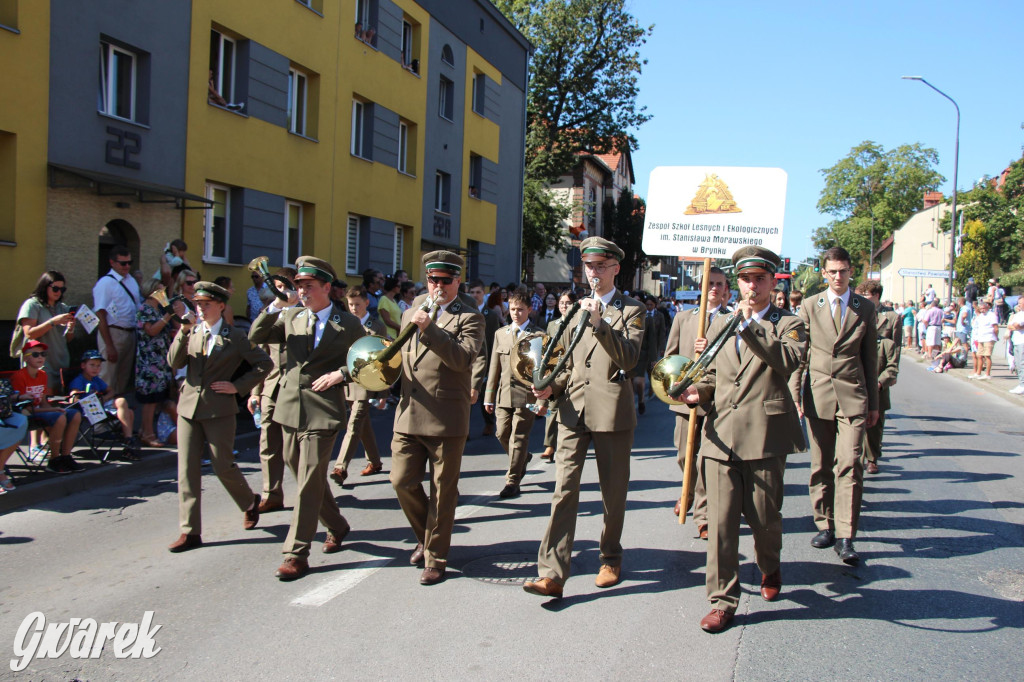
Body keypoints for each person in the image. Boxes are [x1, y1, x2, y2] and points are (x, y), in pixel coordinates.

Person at [677, 246, 806, 633]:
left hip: (764, 437)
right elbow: (715, 376)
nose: (752, 286)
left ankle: (770, 565)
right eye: (746, 279)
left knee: (765, 520)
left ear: (772, 281)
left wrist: (748, 327)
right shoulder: (718, 325)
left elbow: (786, 360)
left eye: (760, 279)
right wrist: (700, 392)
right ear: (738, 282)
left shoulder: (789, 323)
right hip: (720, 436)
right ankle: (721, 600)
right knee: (720, 524)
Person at [523, 236, 644, 599]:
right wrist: (549, 386)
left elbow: (628, 359)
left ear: (615, 269)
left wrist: (599, 322)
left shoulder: (631, 310)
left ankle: (610, 556)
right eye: (589, 266)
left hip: (612, 413)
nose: (594, 273)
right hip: (573, 411)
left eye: (601, 266)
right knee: (564, 491)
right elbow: (567, 363)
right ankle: (552, 573)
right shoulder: (572, 311)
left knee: (613, 493)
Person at [250, 257, 365, 580]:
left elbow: (365, 362)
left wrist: (340, 374)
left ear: (327, 288)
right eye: (298, 286)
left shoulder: (347, 324)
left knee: (309, 479)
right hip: (289, 407)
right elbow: (256, 336)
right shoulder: (291, 317)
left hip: (323, 410)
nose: (302, 292)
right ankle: (338, 525)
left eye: (308, 287)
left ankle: (296, 552)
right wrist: (276, 304)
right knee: (302, 474)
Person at [389, 251, 484, 585]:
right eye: (433, 280)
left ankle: (436, 557)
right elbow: (402, 355)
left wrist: (430, 328)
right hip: (409, 412)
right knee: (401, 481)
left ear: (458, 281)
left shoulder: (471, 316)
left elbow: (461, 359)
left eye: (446, 280)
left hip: (446, 416)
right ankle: (427, 537)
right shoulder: (413, 307)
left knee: (443, 490)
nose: (438, 287)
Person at [166, 282, 271, 553]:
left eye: (206, 304)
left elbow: (264, 363)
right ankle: (190, 531)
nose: (200, 309)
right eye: (198, 304)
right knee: (186, 470)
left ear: (221, 306)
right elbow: (174, 363)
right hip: (189, 407)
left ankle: (249, 502)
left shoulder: (234, 335)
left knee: (222, 465)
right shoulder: (191, 331)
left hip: (219, 409)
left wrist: (238, 387)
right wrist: (183, 330)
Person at [793, 246, 877, 566]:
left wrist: (874, 404)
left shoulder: (864, 308)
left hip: (853, 396)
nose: (839, 276)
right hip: (818, 395)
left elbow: (870, 359)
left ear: (850, 271)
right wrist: (795, 395)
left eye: (843, 271)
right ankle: (824, 523)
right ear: (824, 273)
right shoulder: (810, 306)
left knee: (850, 464)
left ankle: (846, 534)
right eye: (833, 271)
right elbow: (800, 354)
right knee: (821, 465)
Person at [662, 266, 731, 533]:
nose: (714, 288)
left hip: (716, 400)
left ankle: (703, 516)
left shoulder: (731, 320)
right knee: (684, 455)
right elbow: (670, 357)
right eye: (710, 283)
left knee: (706, 461)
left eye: (719, 284)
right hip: (685, 399)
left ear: (726, 289)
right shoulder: (683, 318)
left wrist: (712, 348)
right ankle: (687, 492)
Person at [484, 287, 546, 499]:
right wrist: (489, 395)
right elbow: (494, 367)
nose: (515, 313)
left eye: (520, 309)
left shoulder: (538, 335)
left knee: (519, 436)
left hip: (526, 396)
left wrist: (541, 400)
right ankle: (523, 458)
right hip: (503, 394)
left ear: (529, 310)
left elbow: (541, 370)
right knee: (502, 433)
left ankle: (512, 480)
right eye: (512, 309)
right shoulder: (501, 334)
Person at [248, 267, 298, 514]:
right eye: (277, 287)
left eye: (285, 287)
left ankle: (310, 492)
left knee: (294, 449)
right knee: (268, 442)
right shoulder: (269, 313)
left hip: (297, 388)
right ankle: (272, 493)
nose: (280, 292)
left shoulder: (306, 312)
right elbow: (262, 355)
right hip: (271, 385)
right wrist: (255, 391)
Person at [330, 285, 389, 484]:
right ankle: (374, 461)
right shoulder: (344, 324)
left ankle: (340, 467)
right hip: (346, 380)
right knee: (362, 424)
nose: (354, 308)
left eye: (357, 304)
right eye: (350, 304)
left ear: (366, 303)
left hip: (366, 381)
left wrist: (383, 391)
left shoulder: (377, 326)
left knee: (354, 422)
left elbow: (384, 359)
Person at [12, 339, 83, 473]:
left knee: (75, 414)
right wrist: (53, 410)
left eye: (43, 354)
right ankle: (54, 460)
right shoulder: (19, 376)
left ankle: (66, 456)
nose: (40, 357)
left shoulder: (43, 375)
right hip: (25, 414)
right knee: (59, 417)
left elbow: (43, 400)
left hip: (39, 410)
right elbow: (24, 407)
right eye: (35, 355)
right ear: (26, 358)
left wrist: (52, 408)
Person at [855, 281, 901, 475]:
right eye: (862, 294)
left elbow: (896, 347)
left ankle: (872, 457)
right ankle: (857, 457)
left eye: (868, 294)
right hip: (858, 374)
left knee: (876, 422)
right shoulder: (855, 312)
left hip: (880, 367)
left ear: (876, 295)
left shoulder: (891, 317)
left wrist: (888, 377)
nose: (864, 298)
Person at [67, 350, 139, 459]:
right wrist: (87, 401)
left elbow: (112, 391)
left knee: (127, 410)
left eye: (98, 366)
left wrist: (104, 399)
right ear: (83, 365)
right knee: (126, 409)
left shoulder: (96, 379)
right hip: (88, 409)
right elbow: (73, 399)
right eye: (92, 365)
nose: (96, 368)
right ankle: (128, 442)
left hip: (100, 406)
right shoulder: (79, 380)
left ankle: (127, 444)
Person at [92, 246, 142, 398]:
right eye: (123, 263)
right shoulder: (105, 283)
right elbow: (100, 314)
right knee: (107, 377)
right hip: (113, 332)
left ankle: (118, 412)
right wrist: (109, 345)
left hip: (130, 332)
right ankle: (101, 416)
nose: (127, 266)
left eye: (129, 262)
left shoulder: (131, 280)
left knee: (123, 378)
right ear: (112, 263)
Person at [14, 271, 77, 391]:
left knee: (59, 402)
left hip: (60, 362)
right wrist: (53, 322)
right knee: (42, 401)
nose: (59, 292)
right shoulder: (32, 305)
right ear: (44, 286)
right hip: (40, 361)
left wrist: (70, 329)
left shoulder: (62, 307)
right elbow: (29, 333)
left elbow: (68, 339)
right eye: (55, 289)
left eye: (62, 289)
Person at [135, 279, 177, 447]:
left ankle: (146, 431)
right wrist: (168, 316)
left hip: (159, 360)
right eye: (160, 291)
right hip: (149, 360)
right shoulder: (144, 309)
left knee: (157, 397)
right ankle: (147, 433)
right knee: (150, 400)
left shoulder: (155, 309)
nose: (164, 294)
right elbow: (151, 330)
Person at [540, 292, 576, 463]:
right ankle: (549, 445)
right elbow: (548, 348)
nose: (563, 306)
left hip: (575, 370)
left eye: (568, 303)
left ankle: (567, 442)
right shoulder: (553, 325)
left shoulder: (578, 324)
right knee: (552, 407)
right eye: (561, 303)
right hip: (556, 370)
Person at [468, 279, 502, 438]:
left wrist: (493, 363)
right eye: (472, 292)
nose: (475, 295)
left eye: (478, 292)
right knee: (465, 396)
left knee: (483, 396)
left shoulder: (491, 315)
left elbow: (494, 340)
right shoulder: (465, 312)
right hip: (467, 360)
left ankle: (489, 422)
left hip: (485, 359)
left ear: (484, 294)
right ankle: (463, 428)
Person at [633, 296, 665, 414]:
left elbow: (658, 335)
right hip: (630, 354)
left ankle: (644, 396)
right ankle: (634, 402)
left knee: (642, 379)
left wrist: (657, 352)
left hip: (646, 352)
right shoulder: (626, 316)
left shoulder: (652, 318)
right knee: (632, 382)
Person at [968, 300, 999, 380]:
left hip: (989, 337)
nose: (982, 310)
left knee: (987, 356)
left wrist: (996, 337)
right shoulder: (980, 316)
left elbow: (995, 328)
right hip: (981, 338)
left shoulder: (991, 315)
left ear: (987, 307)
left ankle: (987, 374)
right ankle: (978, 373)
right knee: (979, 355)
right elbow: (977, 327)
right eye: (981, 309)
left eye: (983, 308)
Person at [1007, 297, 1024, 395]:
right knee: (1018, 364)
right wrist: (1018, 327)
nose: (1019, 305)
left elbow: (1017, 325)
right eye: (1019, 303)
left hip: (1022, 341)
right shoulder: (1018, 314)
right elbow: (1010, 325)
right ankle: (1021, 384)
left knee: (1022, 364)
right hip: (1016, 341)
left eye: (1021, 303)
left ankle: (1023, 385)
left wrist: (1018, 326)